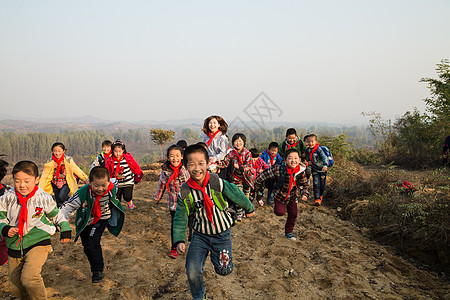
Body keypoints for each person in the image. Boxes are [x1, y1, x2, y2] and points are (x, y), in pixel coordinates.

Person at [173, 144, 255, 300]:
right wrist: (179, 240)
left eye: (201, 163)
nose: (197, 168)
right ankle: (199, 297)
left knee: (224, 270)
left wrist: (249, 208)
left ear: (207, 163)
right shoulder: (185, 192)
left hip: (222, 234)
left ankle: (217, 257)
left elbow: (236, 194)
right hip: (200, 236)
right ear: (185, 167)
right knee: (192, 270)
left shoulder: (217, 182)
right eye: (191, 164)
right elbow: (180, 217)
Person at [0, 161, 71, 299]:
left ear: (36, 180)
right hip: (14, 243)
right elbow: (0, 217)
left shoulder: (43, 198)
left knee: (29, 278)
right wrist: (4, 228)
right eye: (17, 181)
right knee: (15, 287)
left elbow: (56, 215)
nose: (22, 185)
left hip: (39, 240)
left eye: (27, 181)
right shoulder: (7, 198)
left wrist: (65, 229)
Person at [59, 166, 125, 283]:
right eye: (96, 185)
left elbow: (116, 180)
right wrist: (60, 221)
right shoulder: (82, 193)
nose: (100, 189)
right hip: (85, 220)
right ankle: (95, 259)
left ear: (108, 182)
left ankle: (97, 270)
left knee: (92, 243)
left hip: (102, 218)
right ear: (90, 182)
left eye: (103, 185)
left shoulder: (111, 187)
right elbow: (67, 206)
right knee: (87, 246)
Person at [254, 149, 308, 241]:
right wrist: (257, 185)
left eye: (295, 158)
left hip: (293, 196)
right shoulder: (279, 169)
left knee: (293, 214)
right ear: (285, 160)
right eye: (290, 158)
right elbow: (264, 175)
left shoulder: (301, 171)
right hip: (279, 196)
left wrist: (304, 194)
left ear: (299, 160)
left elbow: (304, 185)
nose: (293, 161)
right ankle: (276, 205)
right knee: (280, 212)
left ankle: (289, 232)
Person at [153, 145, 190, 259]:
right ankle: (174, 247)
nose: (175, 159)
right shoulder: (165, 170)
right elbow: (162, 183)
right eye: (172, 156)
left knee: (191, 224)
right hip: (174, 203)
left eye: (177, 156)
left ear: (182, 156)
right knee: (175, 226)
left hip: (189, 202)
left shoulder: (186, 168)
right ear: (168, 157)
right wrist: (157, 197)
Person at [218, 133, 255, 220]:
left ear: (244, 142)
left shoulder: (248, 153)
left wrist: (240, 167)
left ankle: (246, 211)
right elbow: (225, 163)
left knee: (246, 196)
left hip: (247, 178)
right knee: (238, 195)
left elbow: (249, 166)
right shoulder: (231, 153)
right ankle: (239, 214)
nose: (238, 143)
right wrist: (216, 164)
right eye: (235, 141)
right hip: (235, 178)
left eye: (240, 141)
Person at [39, 142, 88, 207]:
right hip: (55, 184)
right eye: (55, 151)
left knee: (62, 196)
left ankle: (73, 204)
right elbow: (45, 176)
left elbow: (76, 170)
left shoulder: (68, 160)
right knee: (58, 202)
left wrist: (86, 179)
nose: (57, 153)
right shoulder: (50, 162)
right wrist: (40, 189)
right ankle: (63, 215)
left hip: (66, 182)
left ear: (63, 151)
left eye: (59, 151)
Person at [105, 140, 143, 210]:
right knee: (117, 198)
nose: (118, 153)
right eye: (116, 151)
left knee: (127, 196)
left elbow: (136, 166)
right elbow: (106, 170)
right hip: (116, 183)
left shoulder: (128, 158)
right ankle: (118, 208)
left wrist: (138, 175)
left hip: (128, 181)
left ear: (123, 150)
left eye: (119, 151)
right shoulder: (110, 160)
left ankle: (129, 201)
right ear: (112, 151)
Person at [305, 134, 329, 206]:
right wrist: (308, 162)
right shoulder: (309, 150)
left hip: (322, 170)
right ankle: (317, 199)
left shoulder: (319, 149)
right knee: (316, 184)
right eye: (309, 142)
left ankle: (320, 195)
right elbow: (310, 158)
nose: (310, 143)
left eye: (312, 141)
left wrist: (325, 165)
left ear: (316, 142)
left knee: (322, 184)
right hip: (315, 170)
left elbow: (324, 157)